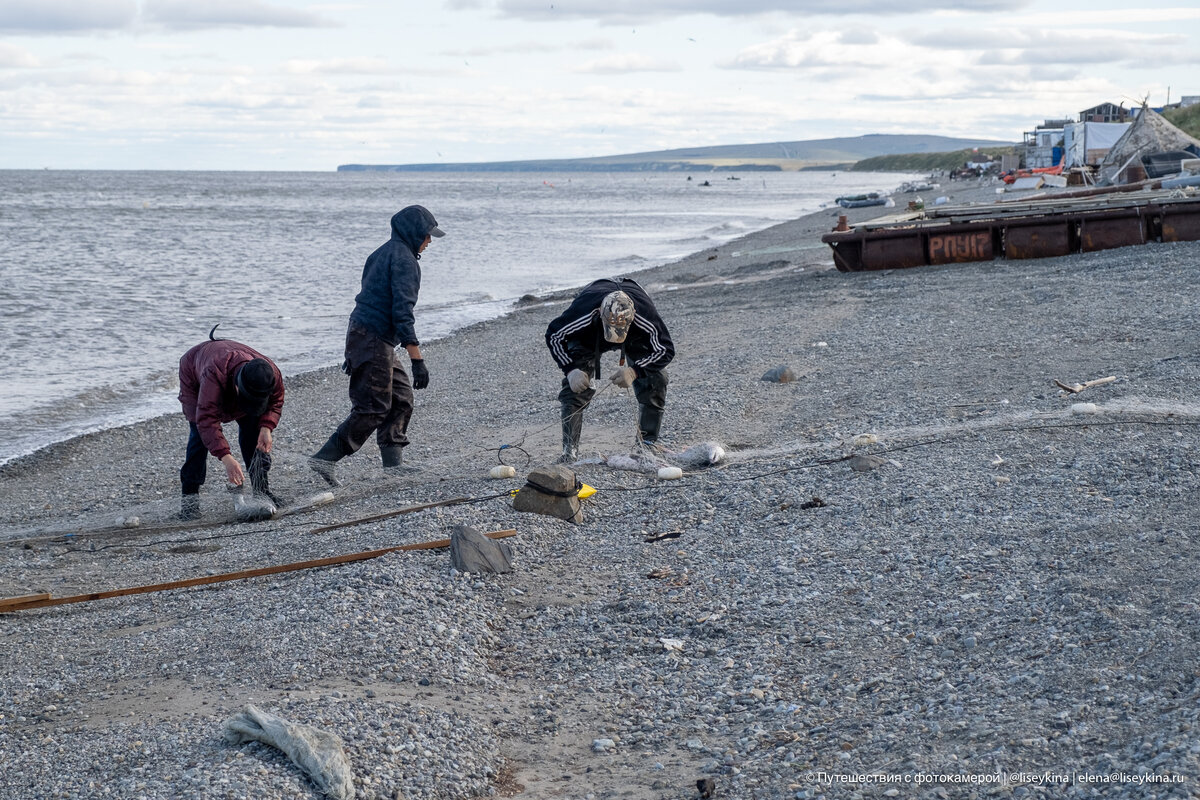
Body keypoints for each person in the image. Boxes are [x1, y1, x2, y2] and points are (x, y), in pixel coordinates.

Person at [309, 205, 445, 485]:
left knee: (402, 397)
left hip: (366, 335)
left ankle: (393, 466)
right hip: (372, 338)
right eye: (428, 235)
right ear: (414, 233)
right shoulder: (405, 261)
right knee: (372, 406)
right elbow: (402, 313)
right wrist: (417, 359)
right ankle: (324, 459)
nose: (430, 241)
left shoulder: (381, 252)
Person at [545, 277, 674, 462]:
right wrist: (571, 370)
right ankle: (569, 451)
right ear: (599, 313)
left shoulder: (645, 315)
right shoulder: (583, 313)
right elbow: (554, 335)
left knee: (656, 379)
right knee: (574, 390)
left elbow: (666, 349)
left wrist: (634, 371)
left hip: (634, 335)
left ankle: (646, 444)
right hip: (590, 335)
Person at [177, 332, 285, 520]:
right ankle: (190, 502)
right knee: (198, 438)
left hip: (227, 367)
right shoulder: (213, 374)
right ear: (237, 388)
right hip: (195, 373)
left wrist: (266, 428)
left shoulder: (271, 374)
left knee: (253, 428)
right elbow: (206, 420)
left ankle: (262, 491)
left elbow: (276, 401)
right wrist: (226, 458)